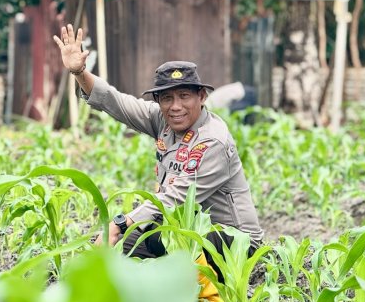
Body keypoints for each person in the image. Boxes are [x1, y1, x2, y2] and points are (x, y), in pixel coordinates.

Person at [53, 24, 263, 269]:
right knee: (112, 248)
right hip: (186, 226)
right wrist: (80, 73)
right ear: (158, 101)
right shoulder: (162, 119)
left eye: (184, 96)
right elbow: (117, 102)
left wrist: (121, 223)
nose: (176, 106)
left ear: (202, 97)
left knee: (154, 236)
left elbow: (176, 199)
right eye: (167, 98)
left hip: (235, 241)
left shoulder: (213, 140)